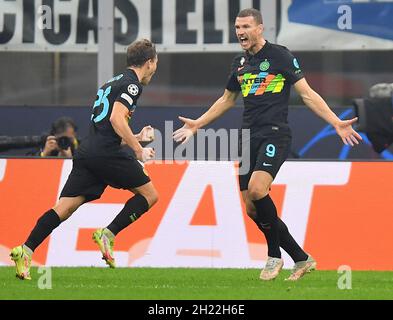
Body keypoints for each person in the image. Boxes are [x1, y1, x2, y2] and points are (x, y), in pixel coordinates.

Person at [173, 9, 362, 281]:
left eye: (246, 26)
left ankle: (274, 256)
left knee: (258, 189)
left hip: (275, 133)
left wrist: (335, 121)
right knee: (251, 207)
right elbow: (227, 99)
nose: (240, 32)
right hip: (247, 136)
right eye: (237, 27)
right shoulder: (239, 62)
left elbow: (307, 94)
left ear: (260, 28)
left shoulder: (280, 56)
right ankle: (301, 258)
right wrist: (197, 124)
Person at [10, 39, 159, 280]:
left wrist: (137, 137)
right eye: (155, 64)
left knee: (64, 208)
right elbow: (116, 119)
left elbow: (107, 129)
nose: (155, 69)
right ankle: (108, 235)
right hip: (106, 154)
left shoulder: (111, 83)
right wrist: (137, 150)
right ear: (150, 62)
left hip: (89, 152)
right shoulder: (132, 85)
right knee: (150, 195)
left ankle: (25, 250)